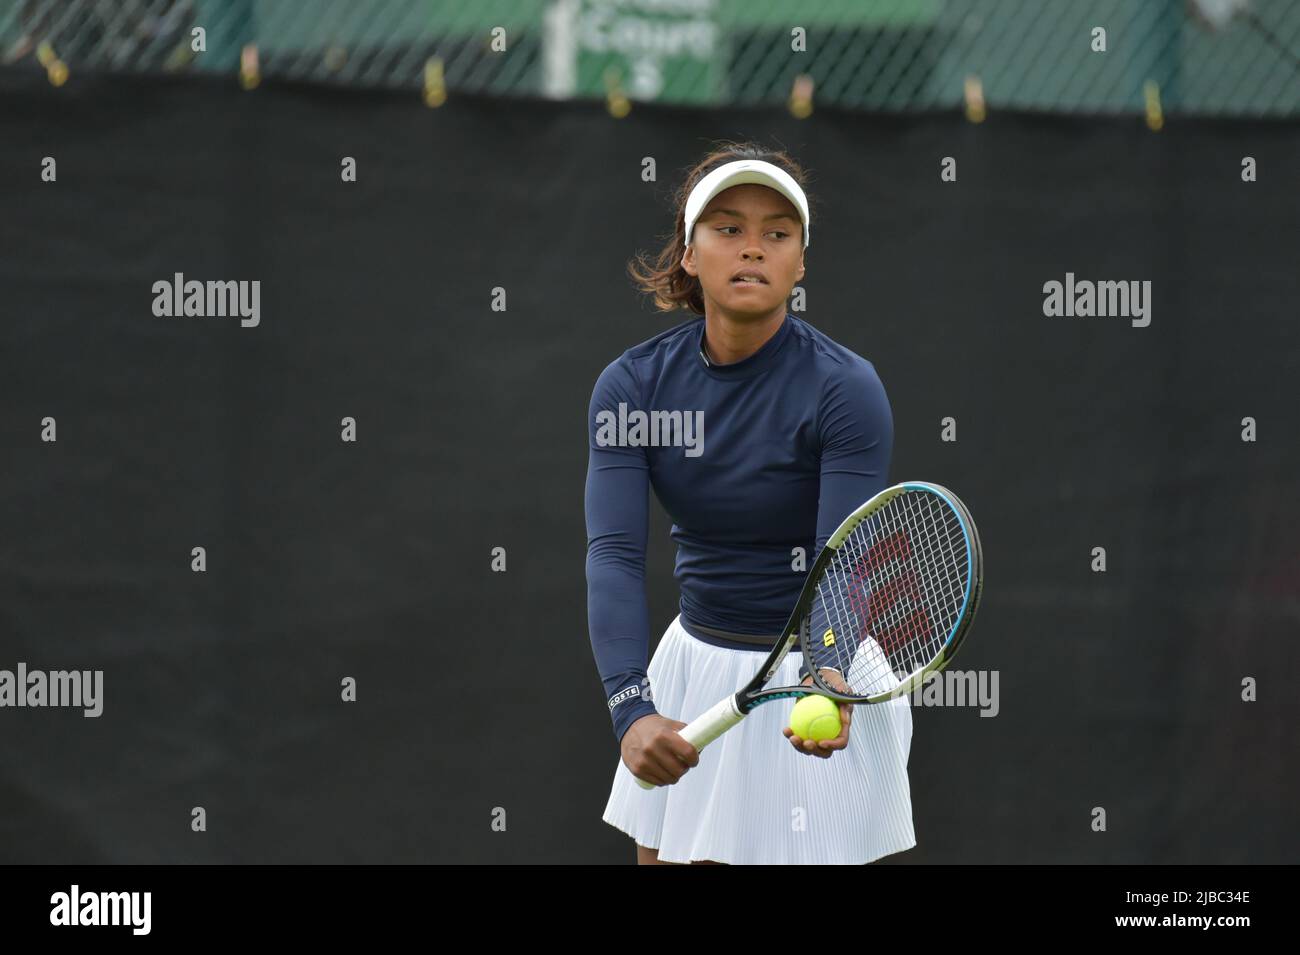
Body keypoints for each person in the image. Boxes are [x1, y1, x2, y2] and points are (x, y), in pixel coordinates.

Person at [585, 141, 914, 865]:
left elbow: (842, 557)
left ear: (799, 263)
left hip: (819, 664)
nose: (752, 249)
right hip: (694, 666)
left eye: (777, 233)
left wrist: (825, 676)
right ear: (689, 253)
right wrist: (631, 708)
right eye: (728, 228)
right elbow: (612, 553)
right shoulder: (632, 388)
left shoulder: (845, 389)